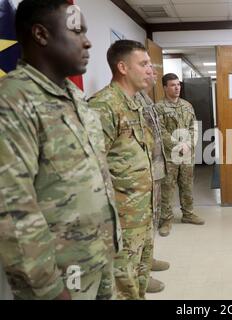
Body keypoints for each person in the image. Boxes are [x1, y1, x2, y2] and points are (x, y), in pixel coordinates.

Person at [0, 0, 121, 300]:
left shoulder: (74, 97)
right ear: (41, 35)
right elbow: (12, 209)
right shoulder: (13, 100)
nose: (88, 41)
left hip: (98, 258)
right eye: (77, 31)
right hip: (59, 280)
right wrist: (49, 288)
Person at [89, 40, 154, 300]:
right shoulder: (102, 106)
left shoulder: (135, 104)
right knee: (122, 287)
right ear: (123, 67)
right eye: (144, 64)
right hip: (121, 221)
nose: (150, 69)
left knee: (138, 280)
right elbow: (92, 168)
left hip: (142, 213)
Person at [134, 66, 170, 294]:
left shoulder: (146, 98)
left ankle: (148, 261)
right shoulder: (130, 100)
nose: (153, 74)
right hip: (138, 176)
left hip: (154, 168)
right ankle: (139, 276)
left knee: (151, 220)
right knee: (137, 229)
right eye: (146, 67)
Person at [155, 73, 204, 237]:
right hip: (169, 156)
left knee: (187, 185)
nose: (177, 88)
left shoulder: (187, 105)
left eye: (178, 84)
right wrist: (177, 146)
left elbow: (194, 127)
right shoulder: (158, 107)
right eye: (173, 85)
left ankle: (188, 214)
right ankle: (166, 220)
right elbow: (159, 131)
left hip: (187, 155)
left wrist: (189, 144)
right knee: (167, 188)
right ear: (165, 87)